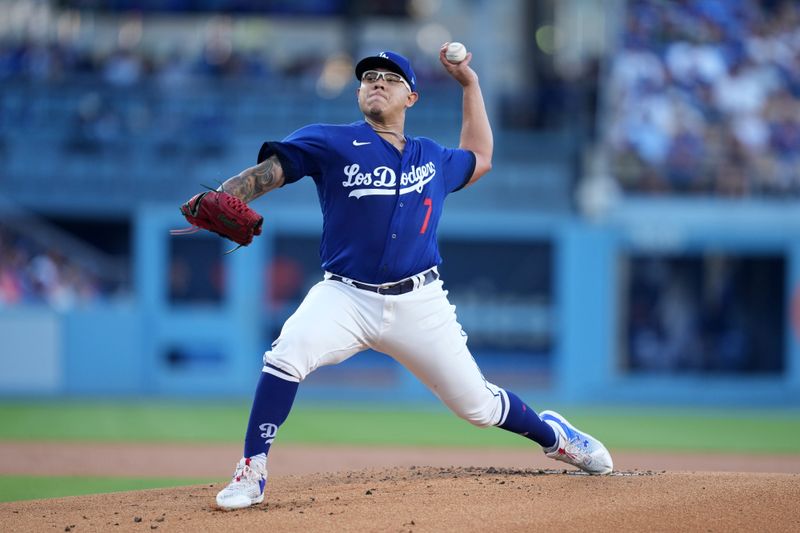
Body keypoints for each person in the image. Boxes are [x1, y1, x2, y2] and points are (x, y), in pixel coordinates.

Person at [209, 45, 613, 510]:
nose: (376, 81)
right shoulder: (331, 141)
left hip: (419, 302)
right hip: (345, 296)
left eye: (390, 77)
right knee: (286, 352)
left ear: (411, 97)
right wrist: (228, 193)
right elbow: (273, 171)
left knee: (478, 407)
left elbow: (480, 155)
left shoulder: (432, 157)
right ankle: (251, 470)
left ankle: (556, 437)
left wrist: (470, 84)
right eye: (368, 77)